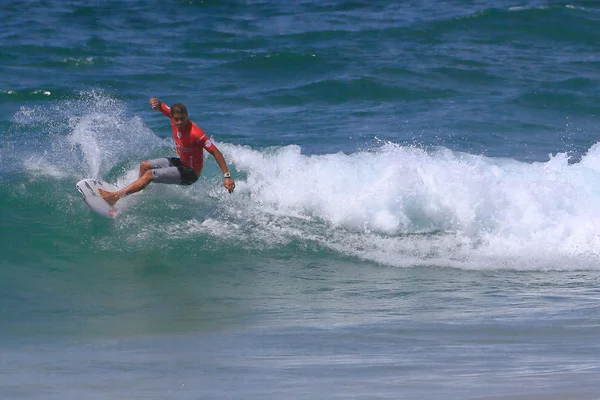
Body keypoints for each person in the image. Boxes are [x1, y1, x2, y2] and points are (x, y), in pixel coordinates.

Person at [99, 97, 235, 206]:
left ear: (187, 116)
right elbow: (159, 104)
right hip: (181, 163)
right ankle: (137, 191)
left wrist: (227, 176)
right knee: (144, 165)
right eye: (177, 119)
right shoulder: (171, 115)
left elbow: (216, 152)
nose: (180, 122)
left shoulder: (196, 133)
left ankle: (116, 197)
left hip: (190, 174)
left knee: (149, 175)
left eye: (183, 118)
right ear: (172, 117)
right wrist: (154, 102)